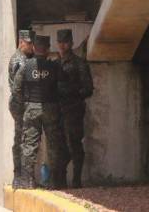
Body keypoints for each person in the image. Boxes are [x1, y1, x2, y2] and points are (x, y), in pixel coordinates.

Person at [12, 35, 68, 189]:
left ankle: (28, 180)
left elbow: (16, 89)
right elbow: (63, 87)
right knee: (54, 144)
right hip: (51, 108)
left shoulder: (26, 66)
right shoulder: (55, 67)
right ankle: (56, 181)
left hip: (31, 108)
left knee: (29, 144)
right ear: (48, 49)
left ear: (34, 48)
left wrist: (25, 103)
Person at [57, 28, 94, 188]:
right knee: (60, 145)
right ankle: (60, 180)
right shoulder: (56, 64)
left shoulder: (79, 63)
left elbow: (88, 88)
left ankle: (76, 180)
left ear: (71, 43)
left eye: (65, 42)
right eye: (60, 43)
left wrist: (73, 93)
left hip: (74, 110)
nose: (62, 46)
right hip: (58, 110)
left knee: (74, 143)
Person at [8, 29, 35, 188]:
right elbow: (18, 88)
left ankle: (21, 176)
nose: (32, 47)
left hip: (21, 104)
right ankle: (19, 176)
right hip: (20, 105)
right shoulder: (19, 61)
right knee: (20, 140)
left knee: (22, 139)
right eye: (29, 44)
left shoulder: (24, 58)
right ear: (21, 42)